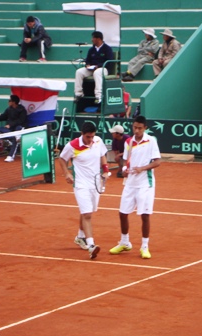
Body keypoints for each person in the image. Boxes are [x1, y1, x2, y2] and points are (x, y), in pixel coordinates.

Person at [109, 116, 161, 259]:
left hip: (145, 184)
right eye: (135, 127)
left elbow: (157, 162)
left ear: (145, 128)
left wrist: (142, 168)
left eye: (139, 128)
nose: (136, 130)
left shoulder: (151, 141)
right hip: (130, 183)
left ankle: (144, 246)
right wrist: (125, 169)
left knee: (144, 215)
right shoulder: (129, 142)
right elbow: (127, 160)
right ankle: (125, 242)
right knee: (122, 213)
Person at [58, 122, 109, 260]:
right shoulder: (72, 145)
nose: (91, 140)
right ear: (82, 134)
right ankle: (91, 246)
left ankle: (80, 237)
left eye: (92, 136)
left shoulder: (98, 140)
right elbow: (62, 159)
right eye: (88, 137)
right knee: (87, 214)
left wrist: (105, 171)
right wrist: (67, 173)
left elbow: (102, 155)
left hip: (95, 183)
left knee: (87, 210)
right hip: (81, 184)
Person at [74, 31, 114, 105]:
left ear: (98, 39)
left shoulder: (107, 48)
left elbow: (109, 61)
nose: (92, 40)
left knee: (97, 72)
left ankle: (98, 96)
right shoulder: (91, 49)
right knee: (79, 72)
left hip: (103, 68)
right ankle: (78, 94)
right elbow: (88, 60)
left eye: (93, 38)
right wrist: (87, 65)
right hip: (91, 69)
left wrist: (98, 66)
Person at [0, 95, 27, 162]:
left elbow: (21, 121)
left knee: (18, 129)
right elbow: (3, 116)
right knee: (1, 129)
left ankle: (10, 156)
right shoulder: (9, 109)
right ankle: (15, 137)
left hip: (19, 128)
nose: (8, 102)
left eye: (9, 101)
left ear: (14, 102)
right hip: (11, 131)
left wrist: (10, 125)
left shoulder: (22, 110)